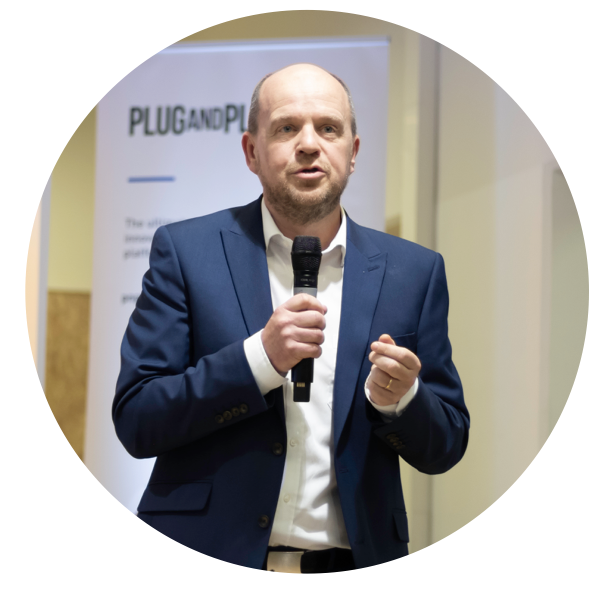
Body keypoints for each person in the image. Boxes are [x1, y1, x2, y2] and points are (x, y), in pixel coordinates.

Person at [113, 63, 469, 572]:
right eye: (286, 127)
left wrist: (402, 400)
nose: (308, 144)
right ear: (251, 152)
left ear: (353, 152)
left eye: (328, 128)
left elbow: (446, 446)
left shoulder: (414, 272)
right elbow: (137, 419)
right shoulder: (186, 253)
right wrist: (259, 361)